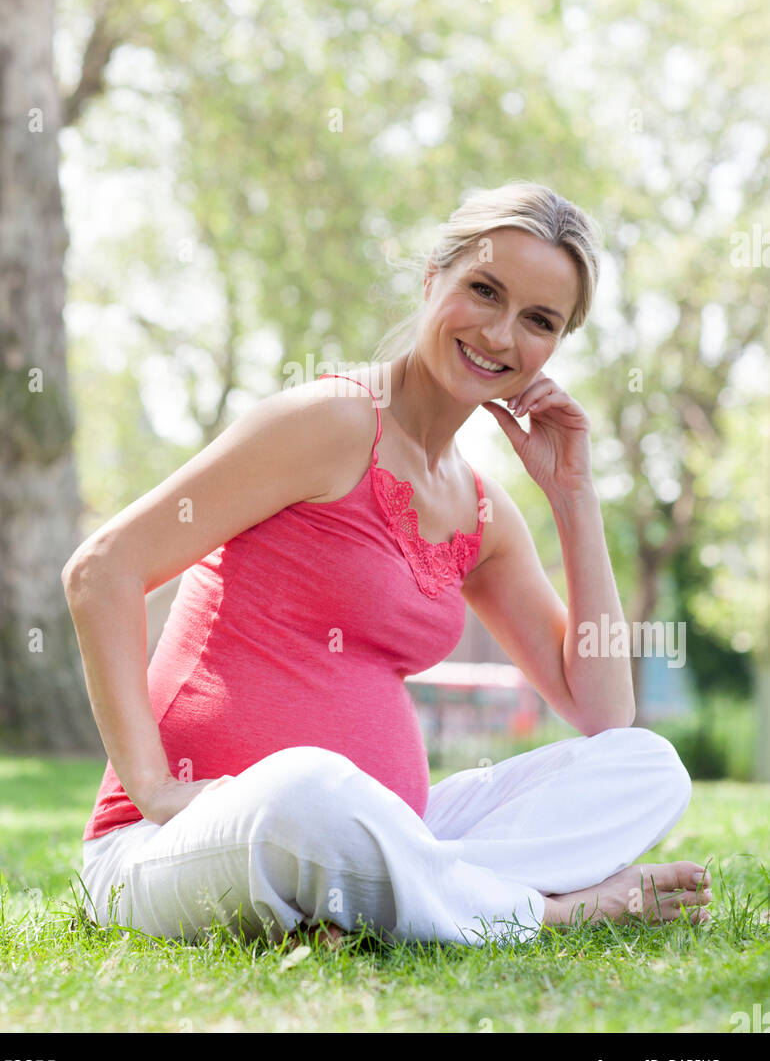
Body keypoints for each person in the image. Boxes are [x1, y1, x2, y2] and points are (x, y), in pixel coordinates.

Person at [63, 180, 711, 951]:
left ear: (556, 345)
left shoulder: (481, 512)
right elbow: (102, 569)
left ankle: (394, 892)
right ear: (433, 276)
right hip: (180, 843)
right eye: (484, 290)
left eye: (538, 320)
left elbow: (603, 713)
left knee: (648, 766)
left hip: (386, 828)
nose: (501, 335)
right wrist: (154, 787)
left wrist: (573, 493)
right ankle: (548, 910)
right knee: (310, 785)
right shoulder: (329, 424)